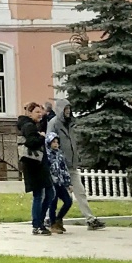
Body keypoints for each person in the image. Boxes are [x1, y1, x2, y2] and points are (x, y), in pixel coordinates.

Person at [46, 98, 107, 230]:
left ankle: (90, 219)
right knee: (54, 195)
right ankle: (48, 219)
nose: (68, 111)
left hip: (72, 164)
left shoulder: (71, 123)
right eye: (65, 109)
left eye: (69, 109)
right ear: (60, 110)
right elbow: (49, 142)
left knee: (80, 192)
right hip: (59, 165)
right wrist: (55, 159)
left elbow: (72, 142)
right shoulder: (54, 123)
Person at [16, 101, 53, 236]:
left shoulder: (32, 125)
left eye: (41, 111)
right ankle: (37, 224)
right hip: (34, 166)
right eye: (37, 112)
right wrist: (41, 137)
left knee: (49, 193)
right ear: (30, 113)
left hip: (39, 165)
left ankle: (40, 222)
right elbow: (31, 142)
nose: (40, 114)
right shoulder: (28, 126)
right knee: (39, 195)